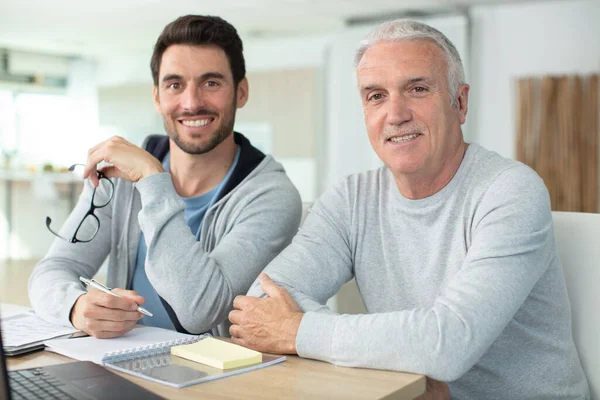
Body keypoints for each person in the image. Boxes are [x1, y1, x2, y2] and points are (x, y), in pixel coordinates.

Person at [228, 20, 589, 399]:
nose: (395, 113)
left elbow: (447, 344)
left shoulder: (510, 190)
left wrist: (298, 331)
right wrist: (401, 356)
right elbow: (262, 303)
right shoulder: (352, 199)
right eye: (375, 95)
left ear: (460, 102)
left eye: (417, 89)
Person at [29, 15, 302, 339]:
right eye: (175, 85)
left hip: (213, 382)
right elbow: (51, 272)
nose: (192, 102)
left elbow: (199, 311)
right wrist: (76, 308)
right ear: (157, 97)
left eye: (211, 83)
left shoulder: (271, 196)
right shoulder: (119, 178)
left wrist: (152, 179)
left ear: (240, 92)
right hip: (122, 367)